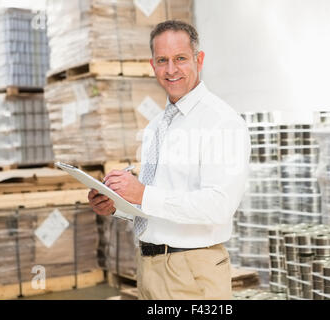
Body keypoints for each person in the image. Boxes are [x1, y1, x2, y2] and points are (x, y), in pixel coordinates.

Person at [88, 20, 251, 300]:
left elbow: (219, 206)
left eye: (180, 59)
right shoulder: (155, 127)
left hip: (193, 272)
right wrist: (117, 206)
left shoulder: (221, 122)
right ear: (152, 66)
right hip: (150, 268)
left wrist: (142, 192)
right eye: (162, 60)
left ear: (199, 60)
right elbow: (158, 205)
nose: (171, 70)